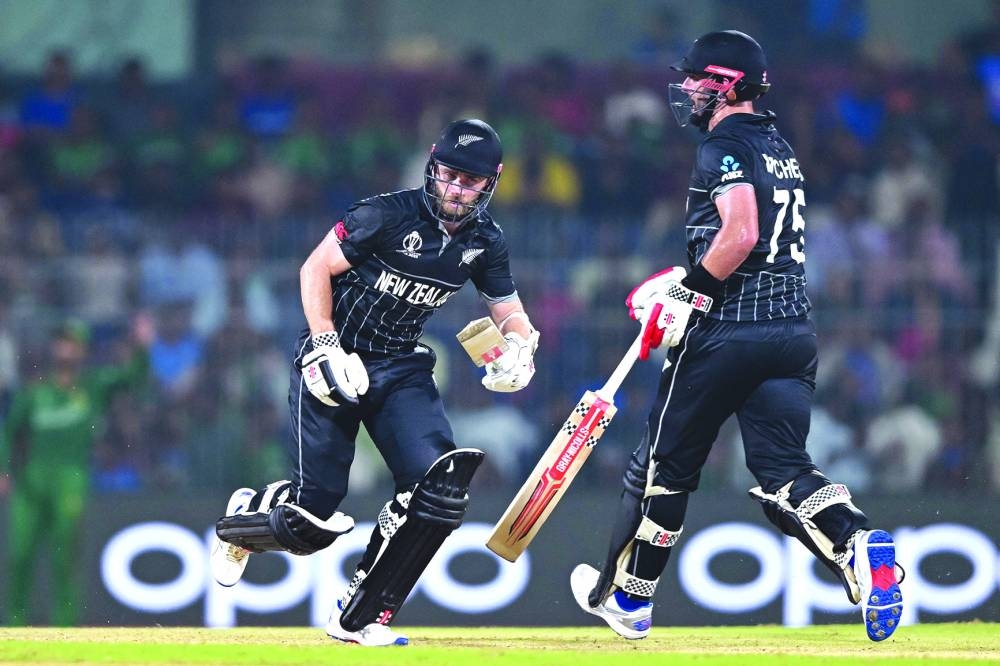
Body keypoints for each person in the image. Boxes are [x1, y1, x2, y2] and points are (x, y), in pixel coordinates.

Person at [569, 31, 904, 643]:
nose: (687, 91)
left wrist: (688, 290)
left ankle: (629, 600)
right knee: (783, 470)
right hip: (793, 333)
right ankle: (856, 542)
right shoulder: (780, 146)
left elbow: (742, 233)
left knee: (662, 470)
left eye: (697, 80)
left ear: (725, 84)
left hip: (728, 332)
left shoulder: (722, 144)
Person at [211, 119, 539, 647]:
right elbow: (314, 269)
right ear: (433, 167)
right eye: (449, 174)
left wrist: (523, 346)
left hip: (401, 365)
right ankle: (243, 522)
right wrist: (322, 343)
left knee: (438, 490)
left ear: (491, 182)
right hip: (335, 357)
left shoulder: (486, 241)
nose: (455, 188)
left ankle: (358, 616)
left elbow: (506, 307)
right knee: (309, 523)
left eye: (469, 181)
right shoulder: (383, 214)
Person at [0, 317, 152, 625]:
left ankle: (64, 627)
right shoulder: (36, 391)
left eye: (70, 342)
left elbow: (133, 378)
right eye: (60, 341)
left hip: (70, 479)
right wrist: (4, 470)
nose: (64, 348)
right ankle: (12, 626)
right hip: (30, 482)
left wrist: (142, 347)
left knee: (65, 557)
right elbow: (9, 430)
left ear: (82, 349)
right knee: (20, 555)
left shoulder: (94, 386)